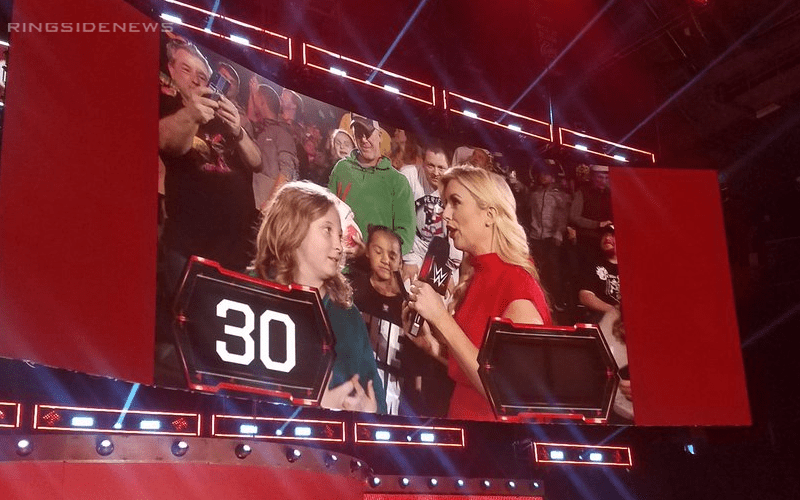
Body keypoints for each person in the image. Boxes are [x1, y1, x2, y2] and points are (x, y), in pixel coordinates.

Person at [405, 165, 552, 420]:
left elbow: (506, 392)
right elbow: (472, 369)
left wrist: (441, 318)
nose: (444, 214)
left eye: (455, 202)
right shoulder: (477, 276)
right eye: (444, 204)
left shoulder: (518, 286)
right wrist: (432, 347)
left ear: (490, 215)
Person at [252, 181, 386, 413]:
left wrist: (369, 412)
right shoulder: (250, 296)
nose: (339, 246)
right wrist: (315, 409)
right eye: (327, 230)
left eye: (340, 235)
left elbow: (376, 398)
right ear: (293, 230)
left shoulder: (348, 315)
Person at [159, 39, 261, 293]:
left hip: (238, 252)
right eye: (186, 70)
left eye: (202, 76)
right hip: (191, 250)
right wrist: (191, 115)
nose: (195, 80)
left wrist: (238, 131)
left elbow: (257, 162)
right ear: (171, 70)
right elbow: (168, 143)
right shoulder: (167, 107)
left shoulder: (223, 117)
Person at [328, 115, 416, 258]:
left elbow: (405, 236)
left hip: (375, 268)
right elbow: (327, 212)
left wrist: (371, 253)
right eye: (359, 134)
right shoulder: (341, 168)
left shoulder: (398, 182)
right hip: (339, 261)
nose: (364, 139)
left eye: (368, 133)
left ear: (379, 136)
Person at [400, 143, 463, 281]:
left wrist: (449, 271)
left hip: (444, 258)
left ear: (450, 167)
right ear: (422, 163)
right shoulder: (409, 175)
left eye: (441, 167)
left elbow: (458, 230)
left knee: (444, 293)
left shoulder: (457, 186)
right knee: (409, 288)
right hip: (414, 252)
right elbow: (398, 217)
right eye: (430, 165)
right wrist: (409, 258)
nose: (435, 172)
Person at [578, 224, 620, 323]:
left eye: (612, 235)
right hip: (603, 320)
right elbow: (585, 296)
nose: (607, 238)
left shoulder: (632, 268)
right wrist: (613, 311)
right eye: (605, 235)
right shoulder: (593, 265)